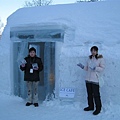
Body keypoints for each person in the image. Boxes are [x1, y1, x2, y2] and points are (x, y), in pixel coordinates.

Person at [77, 46, 105, 115]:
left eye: (94, 51)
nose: (93, 52)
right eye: (92, 50)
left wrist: (95, 68)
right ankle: (91, 106)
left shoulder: (100, 59)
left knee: (96, 95)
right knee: (89, 94)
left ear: (97, 51)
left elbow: (102, 68)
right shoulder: (89, 58)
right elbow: (87, 68)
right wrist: (82, 67)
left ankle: (98, 108)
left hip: (95, 79)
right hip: (88, 79)